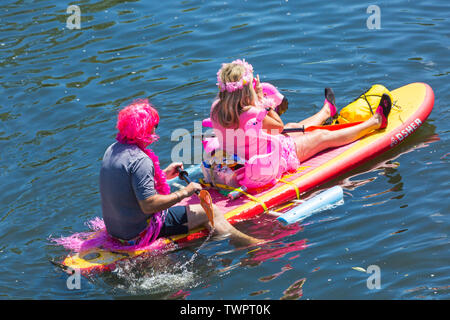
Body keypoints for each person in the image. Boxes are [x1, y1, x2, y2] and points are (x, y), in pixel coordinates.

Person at [99, 99, 260, 248]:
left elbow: (127, 186)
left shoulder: (112, 149)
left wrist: (163, 175)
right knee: (210, 211)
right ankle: (249, 243)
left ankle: (220, 237)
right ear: (146, 128)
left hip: (117, 229)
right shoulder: (141, 160)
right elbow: (149, 205)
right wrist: (185, 192)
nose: (156, 129)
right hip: (138, 232)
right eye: (155, 125)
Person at [210, 59, 391, 186]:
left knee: (291, 128)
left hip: (245, 158)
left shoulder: (216, 109)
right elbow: (278, 125)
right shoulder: (251, 113)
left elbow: (273, 129)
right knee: (321, 136)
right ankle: (375, 122)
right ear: (246, 90)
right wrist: (261, 98)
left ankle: (326, 112)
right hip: (267, 163)